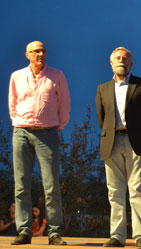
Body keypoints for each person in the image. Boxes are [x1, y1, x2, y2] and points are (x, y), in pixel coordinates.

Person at [96, 46, 141, 248]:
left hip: (136, 142)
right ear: (111, 63)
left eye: (125, 58)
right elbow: (101, 118)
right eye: (117, 58)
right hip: (111, 142)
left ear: (131, 63)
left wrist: (139, 131)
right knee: (114, 192)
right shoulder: (103, 88)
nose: (121, 60)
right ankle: (117, 236)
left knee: (137, 190)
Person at [8, 41, 70, 245]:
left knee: (51, 185)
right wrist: (19, 122)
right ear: (27, 54)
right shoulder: (17, 76)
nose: (40, 54)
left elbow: (64, 104)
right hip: (22, 132)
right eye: (36, 51)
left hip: (48, 133)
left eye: (43, 51)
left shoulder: (57, 75)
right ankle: (24, 231)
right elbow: (13, 104)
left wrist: (56, 127)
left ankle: (54, 233)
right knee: (21, 184)